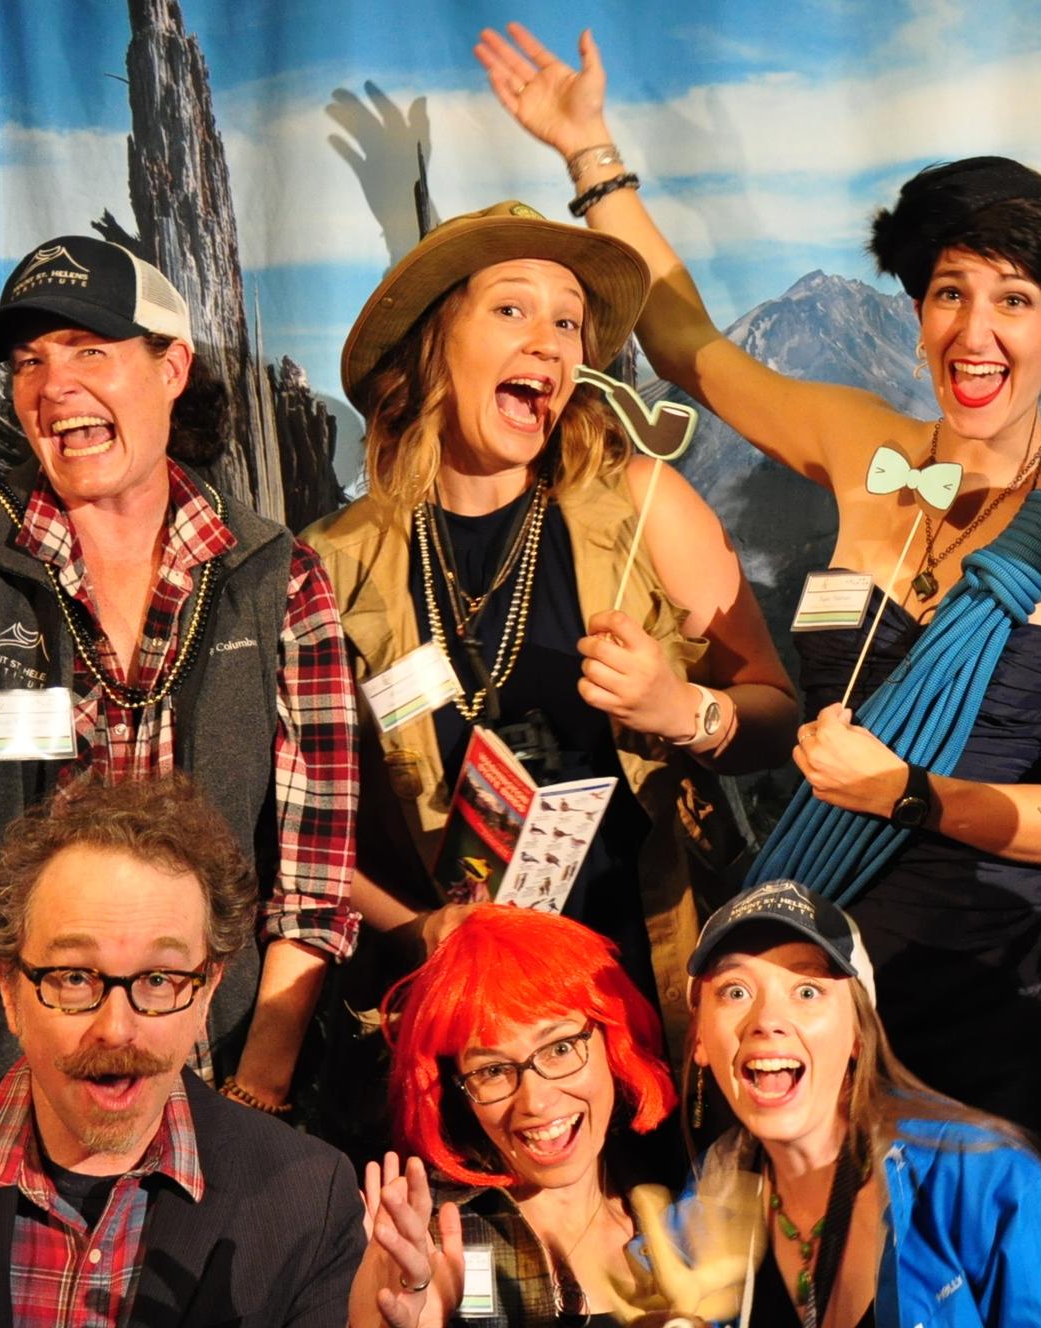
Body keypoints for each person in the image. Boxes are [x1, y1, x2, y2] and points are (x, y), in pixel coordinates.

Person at [480, 22, 1041, 1165]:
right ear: (916, 310)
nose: (975, 329)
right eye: (949, 293)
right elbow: (688, 345)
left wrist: (905, 792)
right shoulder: (861, 442)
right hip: (810, 984)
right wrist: (589, 152)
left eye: (1013, 299)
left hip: (996, 988)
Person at [0, 236, 356, 1113]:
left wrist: (255, 1086)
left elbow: (313, 878)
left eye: (89, 350)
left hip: (205, 1073)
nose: (53, 385)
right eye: (29, 361)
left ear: (172, 367)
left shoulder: (279, 577)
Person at [303, 200, 797, 1074]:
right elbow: (307, 824)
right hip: (461, 1017)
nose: (550, 341)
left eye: (567, 322)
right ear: (433, 344)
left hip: (636, 987)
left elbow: (775, 712)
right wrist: (417, 930)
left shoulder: (644, 504)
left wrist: (684, 710)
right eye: (511, 309)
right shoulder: (333, 564)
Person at [0, 775, 368, 1324]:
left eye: (159, 979)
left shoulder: (307, 1200)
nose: (116, 1028)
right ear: (10, 992)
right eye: (74, 977)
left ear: (205, 995)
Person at [668, 878, 1041, 1328]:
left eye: (807, 991)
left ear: (859, 1034)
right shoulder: (710, 1197)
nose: (767, 1020)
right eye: (735, 991)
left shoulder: (983, 1179)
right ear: (700, 1038)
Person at [347, 903, 684, 1326]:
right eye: (492, 1070)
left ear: (614, 1042)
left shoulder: (688, 1208)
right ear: (459, 1092)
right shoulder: (429, 1249)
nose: (535, 1101)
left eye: (560, 1048)